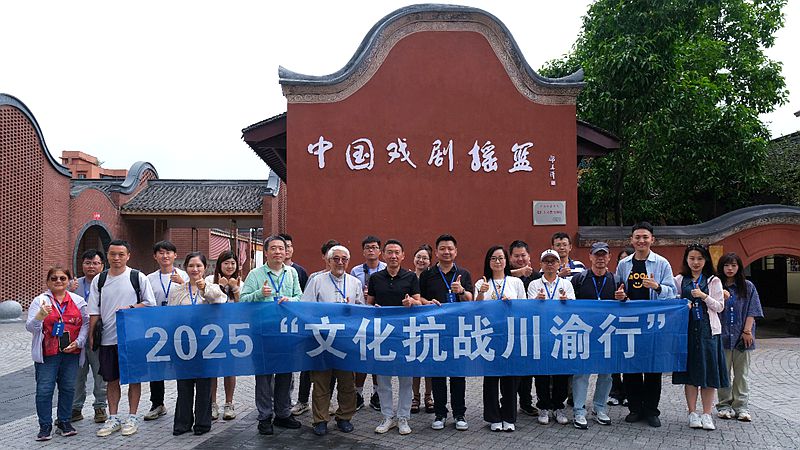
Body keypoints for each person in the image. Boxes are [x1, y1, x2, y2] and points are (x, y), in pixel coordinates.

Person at [368, 239, 437, 435]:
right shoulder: (375, 278)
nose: (393, 256)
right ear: (383, 255)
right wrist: (374, 309)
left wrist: (411, 302)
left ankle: (403, 417)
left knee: (406, 378)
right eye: (389, 252)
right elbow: (369, 304)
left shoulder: (410, 277)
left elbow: (418, 301)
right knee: (383, 379)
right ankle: (387, 416)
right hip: (382, 334)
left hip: (405, 334)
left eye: (397, 252)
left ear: (403, 255)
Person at [88, 239, 156, 437]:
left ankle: (132, 417)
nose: (116, 258)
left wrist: (130, 308)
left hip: (133, 338)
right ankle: (113, 417)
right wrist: (92, 335)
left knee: (134, 379)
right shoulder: (99, 280)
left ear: (128, 256)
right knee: (111, 380)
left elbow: (150, 303)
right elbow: (94, 311)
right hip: (108, 338)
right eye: (112, 254)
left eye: (121, 254)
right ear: (107, 256)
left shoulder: (137, 277)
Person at [615, 221, 676, 428]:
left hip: (653, 323)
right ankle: (635, 408)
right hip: (630, 322)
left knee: (652, 367)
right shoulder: (624, 264)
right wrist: (620, 295)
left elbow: (672, 293)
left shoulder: (662, 263)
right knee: (630, 366)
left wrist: (657, 287)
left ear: (652, 239)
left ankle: (651, 410)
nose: (641, 241)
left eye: (645, 237)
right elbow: (619, 289)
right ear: (631, 240)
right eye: (637, 237)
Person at [240, 235, 302, 436]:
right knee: (264, 377)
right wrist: (259, 293)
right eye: (273, 248)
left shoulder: (291, 273)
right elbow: (243, 300)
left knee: (285, 375)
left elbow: (300, 296)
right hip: (263, 333)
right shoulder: (255, 274)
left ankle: (283, 414)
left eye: (281, 248)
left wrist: (291, 300)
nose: (277, 252)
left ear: (286, 251)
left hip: (286, 333)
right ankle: (265, 416)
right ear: (266, 252)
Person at [301, 245, 364, 436]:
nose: (340, 262)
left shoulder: (354, 282)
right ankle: (320, 419)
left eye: (344, 259)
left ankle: (344, 417)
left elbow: (361, 309)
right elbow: (306, 308)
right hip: (322, 339)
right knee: (321, 381)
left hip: (345, 340)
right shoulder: (316, 281)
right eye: (336, 259)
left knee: (347, 382)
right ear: (328, 261)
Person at [27, 266, 90, 441]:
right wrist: (40, 316)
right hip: (48, 353)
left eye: (62, 278)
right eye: (54, 278)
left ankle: (64, 422)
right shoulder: (40, 301)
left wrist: (79, 342)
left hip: (71, 352)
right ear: (48, 282)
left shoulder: (78, 301)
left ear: (69, 281)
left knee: (68, 388)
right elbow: (30, 327)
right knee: (44, 390)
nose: (58, 281)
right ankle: (45, 426)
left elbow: (86, 324)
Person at [168, 252, 227, 435]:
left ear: (205, 268)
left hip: (206, 344)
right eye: (191, 266)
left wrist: (204, 289)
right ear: (186, 268)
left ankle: (202, 423)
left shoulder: (213, 288)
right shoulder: (177, 291)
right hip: (183, 343)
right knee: (184, 384)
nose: (195, 269)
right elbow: (170, 317)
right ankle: (182, 423)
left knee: (204, 385)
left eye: (199, 266)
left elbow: (221, 301)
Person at [419, 234, 473, 432]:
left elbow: (471, 299)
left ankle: (459, 413)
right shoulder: (427, 275)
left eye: (450, 248)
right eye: (442, 248)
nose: (446, 252)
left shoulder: (464, 274)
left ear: (455, 251)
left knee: (458, 374)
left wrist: (461, 291)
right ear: (436, 252)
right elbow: (419, 298)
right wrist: (427, 302)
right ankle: (440, 413)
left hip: (458, 330)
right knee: (438, 374)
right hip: (435, 330)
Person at [672, 244, 728, 430]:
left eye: (700, 259)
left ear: (706, 260)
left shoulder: (713, 280)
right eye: (692, 258)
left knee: (709, 373)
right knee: (690, 374)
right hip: (687, 331)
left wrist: (704, 296)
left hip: (708, 332)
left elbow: (720, 306)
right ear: (686, 260)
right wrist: (683, 303)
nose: (695, 262)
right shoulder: (680, 279)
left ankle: (707, 413)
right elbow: (672, 300)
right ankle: (692, 413)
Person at [569, 242, 625, 429]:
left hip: (607, 333)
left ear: (609, 257)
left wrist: (623, 299)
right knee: (581, 373)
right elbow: (569, 304)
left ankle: (600, 407)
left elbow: (627, 307)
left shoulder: (616, 280)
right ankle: (579, 410)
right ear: (590, 257)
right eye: (597, 255)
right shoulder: (579, 279)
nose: (600, 258)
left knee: (606, 374)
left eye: (604, 255)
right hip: (584, 332)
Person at [475, 246, 526, 432]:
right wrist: (481, 293)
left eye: (501, 258)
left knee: (510, 378)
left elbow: (525, 308)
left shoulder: (515, 282)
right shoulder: (481, 283)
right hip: (489, 336)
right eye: (493, 258)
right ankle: (493, 417)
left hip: (511, 335)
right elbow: (476, 309)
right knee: (491, 378)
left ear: (506, 261)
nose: (497, 261)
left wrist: (511, 304)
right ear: (488, 262)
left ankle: (509, 416)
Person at [527, 249, 575, 425]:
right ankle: (543, 406)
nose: (550, 264)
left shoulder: (566, 284)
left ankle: (558, 406)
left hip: (561, 333)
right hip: (541, 333)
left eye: (553, 261)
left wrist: (566, 302)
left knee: (561, 372)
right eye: (546, 261)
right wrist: (536, 301)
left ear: (559, 264)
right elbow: (528, 309)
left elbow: (574, 307)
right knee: (542, 372)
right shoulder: (534, 284)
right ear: (541, 264)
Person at [293, 239, 339, 416]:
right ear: (325, 257)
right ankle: (303, 401)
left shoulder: (346, 279)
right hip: (315, 331)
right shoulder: (314, 278)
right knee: (308, 367)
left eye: (338, 257)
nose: (336, 260)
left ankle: (327, 401)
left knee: (331, 368)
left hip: (334, 333)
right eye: (331, 255)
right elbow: (307, 304)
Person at [715, 252, 763, 422]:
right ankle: (724, 405)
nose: (730, 268)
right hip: (721, 337)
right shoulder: (716, 285)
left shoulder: (747, 286)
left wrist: (747, 331)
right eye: (726, 265)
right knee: (723, 373)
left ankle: (741, 407)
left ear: (739, 267)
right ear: (721, 267)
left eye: (734, 265)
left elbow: (753, 310)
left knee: (742, 374)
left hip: (743, 338)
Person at [144, 240, 188, 422]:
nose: (165, 256)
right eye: (161, 252)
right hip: (157, 329)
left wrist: (183, 283)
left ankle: (184, 403)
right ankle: (157, 404)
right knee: (156, 366)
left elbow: (193, 296)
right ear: (155, 256)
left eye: (169, 252)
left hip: (180, 329)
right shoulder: (148, 279)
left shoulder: (185, 275)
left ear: (175, 255)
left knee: (182, 366)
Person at [68, 249, 108, 424]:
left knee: (100, 373)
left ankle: (100, 406)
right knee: (77, 374)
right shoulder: (73, 285)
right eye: (88, 263)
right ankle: (75, 408)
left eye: (96, 263)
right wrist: (68, 290)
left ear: (102, 266)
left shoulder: (106, 284)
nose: (91, 266)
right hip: (76, 337)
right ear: (82, 265)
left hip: (99, 335)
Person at [350, 235, 386, 411]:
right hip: (361, 319)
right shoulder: (355, 271)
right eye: (368, 248)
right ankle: (357, 393)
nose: (371, 250)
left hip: (381, 319)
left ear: (380, 251)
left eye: (374, 247)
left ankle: (377, 393)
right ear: (363, 251)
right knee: (362, 357)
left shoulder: (386, 269)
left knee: (378, 357)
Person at [206, 250, 242, 421]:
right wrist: (220, 287)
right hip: (212, 333)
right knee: (212, 370)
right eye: (226, 263)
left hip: (232, 333)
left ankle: (229, 403)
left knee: (230, 369)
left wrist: (235, 288)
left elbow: (243, 306)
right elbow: (209, 300)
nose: (229, 266)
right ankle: (213, 404)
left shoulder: (241, 282)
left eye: (233, 263)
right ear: (219, 265)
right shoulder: (209, 281)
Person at [508, 240, 540, 416]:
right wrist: (518, 273)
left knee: (528, 369)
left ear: (529, 256)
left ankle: (526, 402)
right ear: (510, 258)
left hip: (531, 329)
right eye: (516, 256)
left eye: (523, 255)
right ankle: (509, 402)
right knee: (512, 368)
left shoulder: (536, 276)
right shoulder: (506, 276)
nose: (520, 259)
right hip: (510, 329)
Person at [608, 246, 634, 407]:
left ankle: (629, 393)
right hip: (615, 323)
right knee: (615, 358)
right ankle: (615, 392)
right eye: (621, 260)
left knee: (629, 359)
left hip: (631, 322)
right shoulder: (613, 279)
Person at [411, 244, 434, 414]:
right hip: (412, 324)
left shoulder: (432, 277)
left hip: (430, 324)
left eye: (425, 258)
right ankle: (415, 397)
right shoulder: (407, 277)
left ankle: (428, 396)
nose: (421, 260)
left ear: (430, 261)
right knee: (415, 363)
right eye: (418, 257)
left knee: (429, 363)